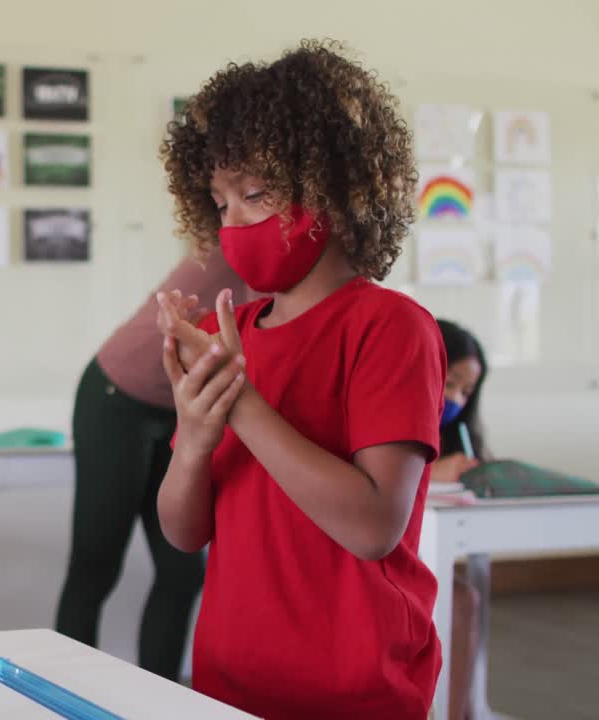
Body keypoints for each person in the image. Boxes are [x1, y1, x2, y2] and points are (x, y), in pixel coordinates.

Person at [156, 40, 444, 717]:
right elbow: (182, 531)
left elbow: (374, 526)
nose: (232, 225)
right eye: (219, 202)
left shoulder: (389, 327)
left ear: (338, 189)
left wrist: (242, 404)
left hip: (354, 687)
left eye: (255, 195)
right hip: (231, 679)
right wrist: (196, 437)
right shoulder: (240, 332)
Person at [55, 249, 249, 681]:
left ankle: (158, 701)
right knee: (96, 565)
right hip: (115, 398)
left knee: (183, 573)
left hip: (177, 409)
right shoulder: (240, 243)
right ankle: (64, 702)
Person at [434, 318, 491, 720]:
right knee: (462, 599)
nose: (455, 398)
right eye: (450, 382)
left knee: (467, 596)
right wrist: (431, 472)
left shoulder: (457, 438)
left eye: (466, 391)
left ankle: (464, 708)